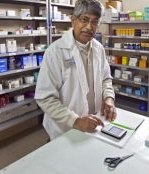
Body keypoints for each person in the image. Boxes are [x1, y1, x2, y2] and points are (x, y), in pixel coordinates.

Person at [35, 0, 116, 140]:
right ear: (73, 20)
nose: (89, 27)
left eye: (95, 22)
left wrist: (108, 98)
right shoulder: (55, 52)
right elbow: (45, 98)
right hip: (64, 130)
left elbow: (106, 78)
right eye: (84, 19)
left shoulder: (99, 49)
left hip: (93, 125)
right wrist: (76, 121)